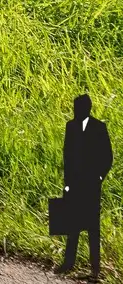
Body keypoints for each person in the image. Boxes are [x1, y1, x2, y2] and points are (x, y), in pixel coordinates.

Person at [64, 94, 112, 278]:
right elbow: (67, 157)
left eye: (79, 108)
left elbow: (107, 157)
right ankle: (69, 263)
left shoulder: (99, 128)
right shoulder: (71, 126)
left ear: (87, 108)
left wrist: (99, 177)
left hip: (91, 185)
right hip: (75, 184)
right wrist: (67, 184)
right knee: (73, 225)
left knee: (93, 228)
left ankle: (95, 269)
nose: (76, 111)